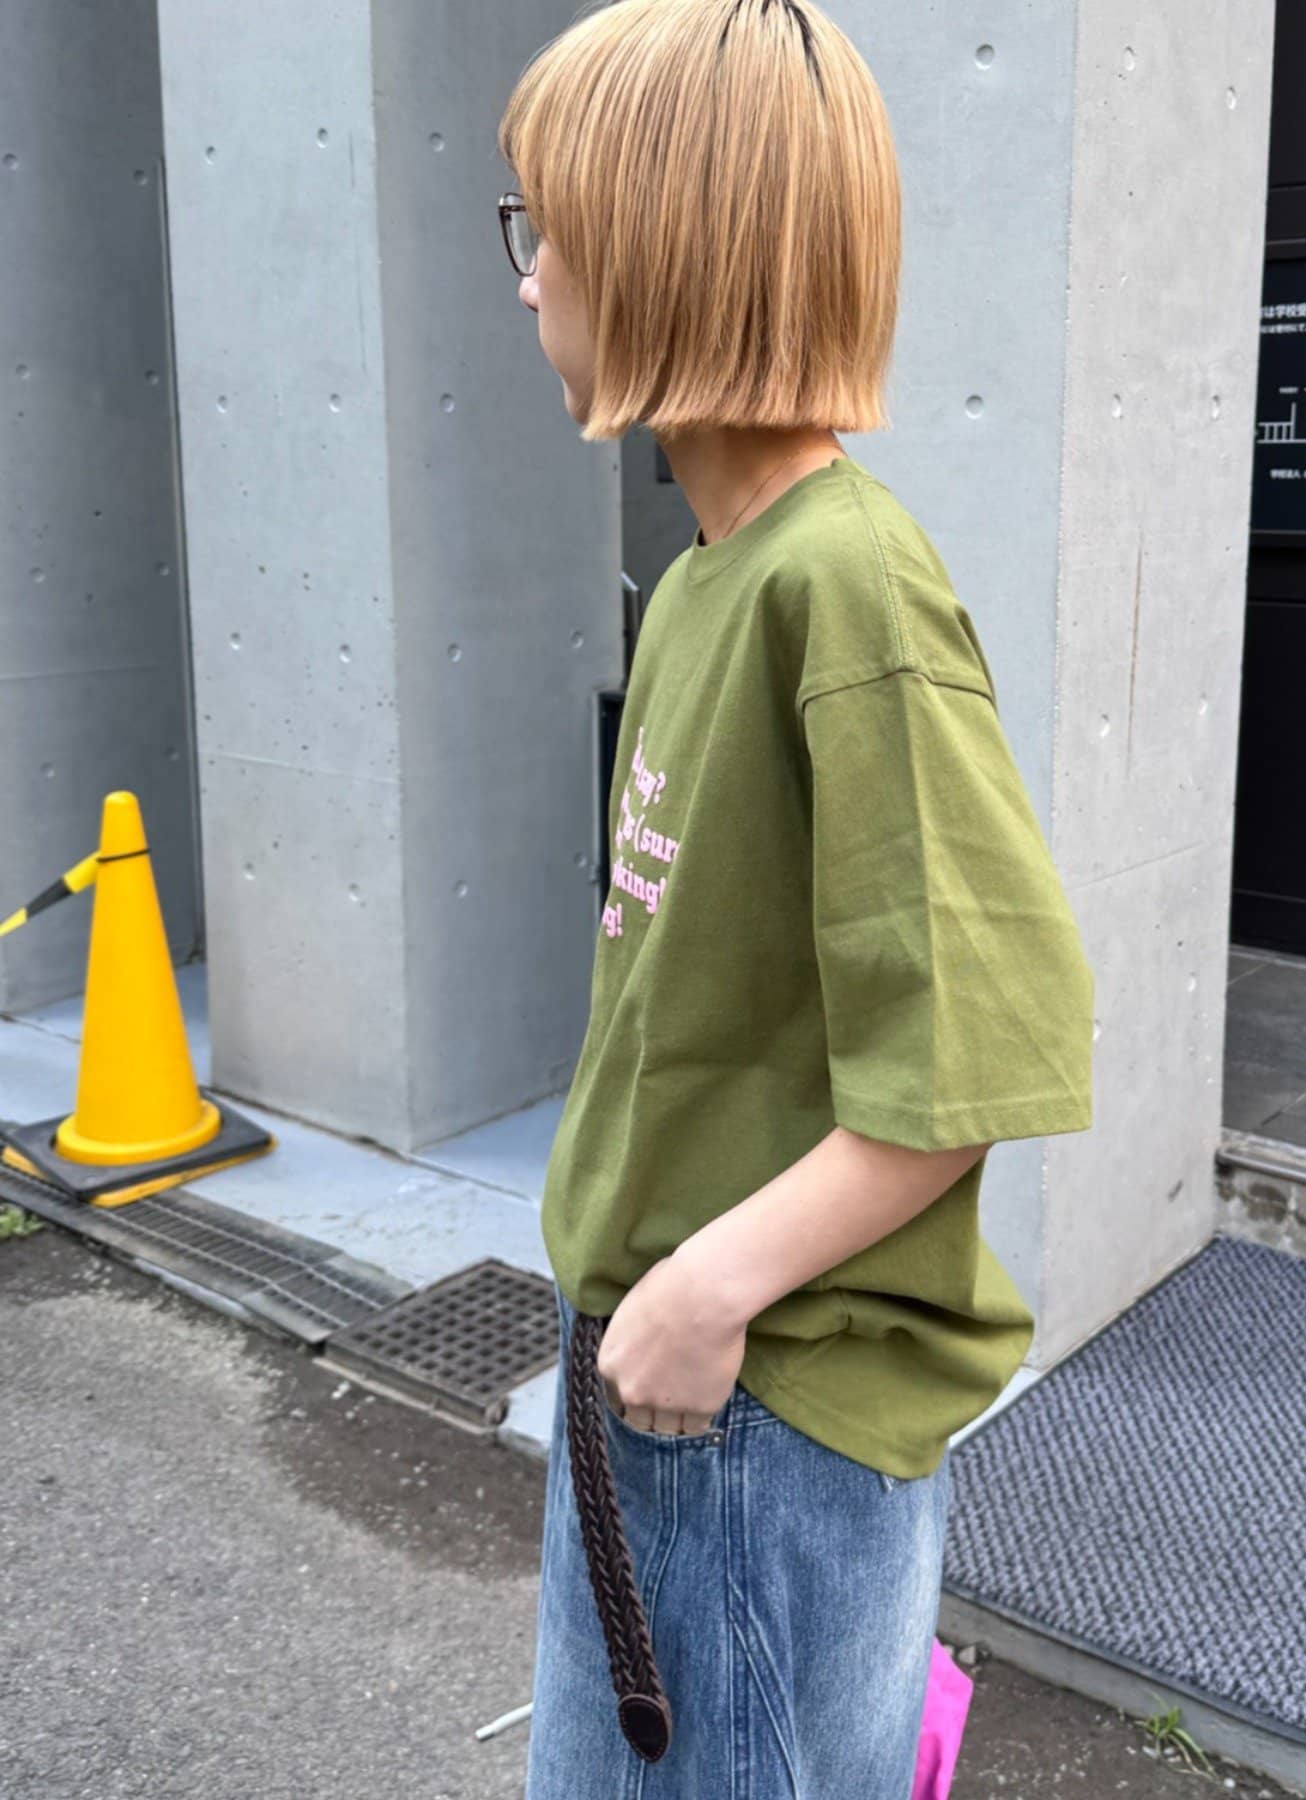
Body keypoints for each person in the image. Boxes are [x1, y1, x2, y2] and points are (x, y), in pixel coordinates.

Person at [497, 1, 1095, 1793]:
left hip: (750, 1405)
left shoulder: (848, 590)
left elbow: (978, 1056)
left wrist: (703, 1288)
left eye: (548, 230)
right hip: (667, 1379)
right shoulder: (706, 580)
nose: (527, 281)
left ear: (663, 247)